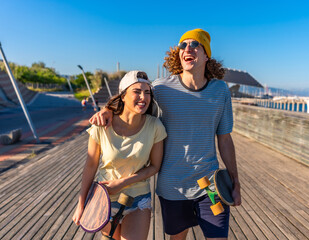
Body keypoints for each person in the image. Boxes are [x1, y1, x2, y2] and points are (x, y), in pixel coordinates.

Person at [90, 29, 241, 239]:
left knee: (219, 235)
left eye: (195, 44)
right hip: (173, 189)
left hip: (210, 187)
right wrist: (107, 109)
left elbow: (225, 139)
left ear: (206, 55)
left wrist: (235, 181)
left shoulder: (220, 90)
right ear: (179, 54)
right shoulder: (161, 88)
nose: (188, 48)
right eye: (183, 45)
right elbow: (133, 100)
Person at [73, 70, 167, 240]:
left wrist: (122, 182)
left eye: (147, 92)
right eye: (136, 92)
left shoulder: (155, 126)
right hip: (103, 199)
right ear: (123, 96)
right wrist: (81, 204)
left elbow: (155, 166)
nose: (143, 97)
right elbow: (90, 166)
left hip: (137, 199)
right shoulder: (102, 125)